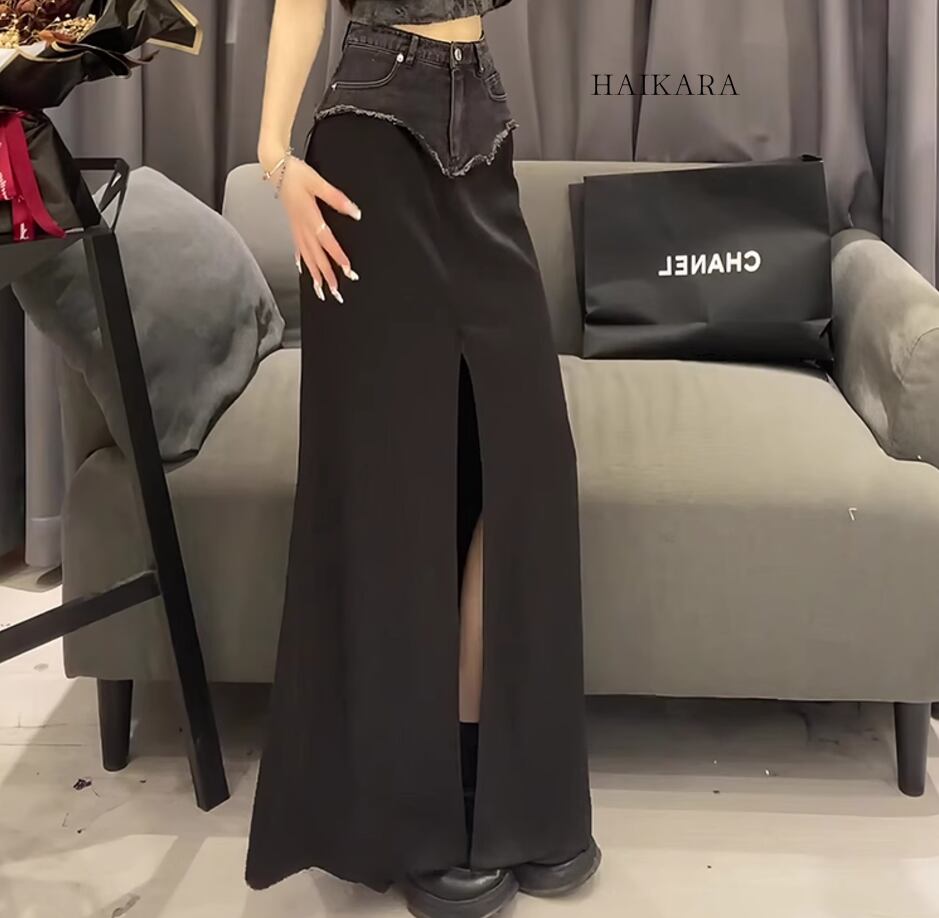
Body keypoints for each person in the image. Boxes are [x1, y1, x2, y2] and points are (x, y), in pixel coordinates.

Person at [245, 2, 600, 916]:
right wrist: (275, 157)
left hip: (481, 130)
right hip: (371, 133)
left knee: (520, 470)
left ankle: (492, 783)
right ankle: (411, 815)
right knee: (395, 481)